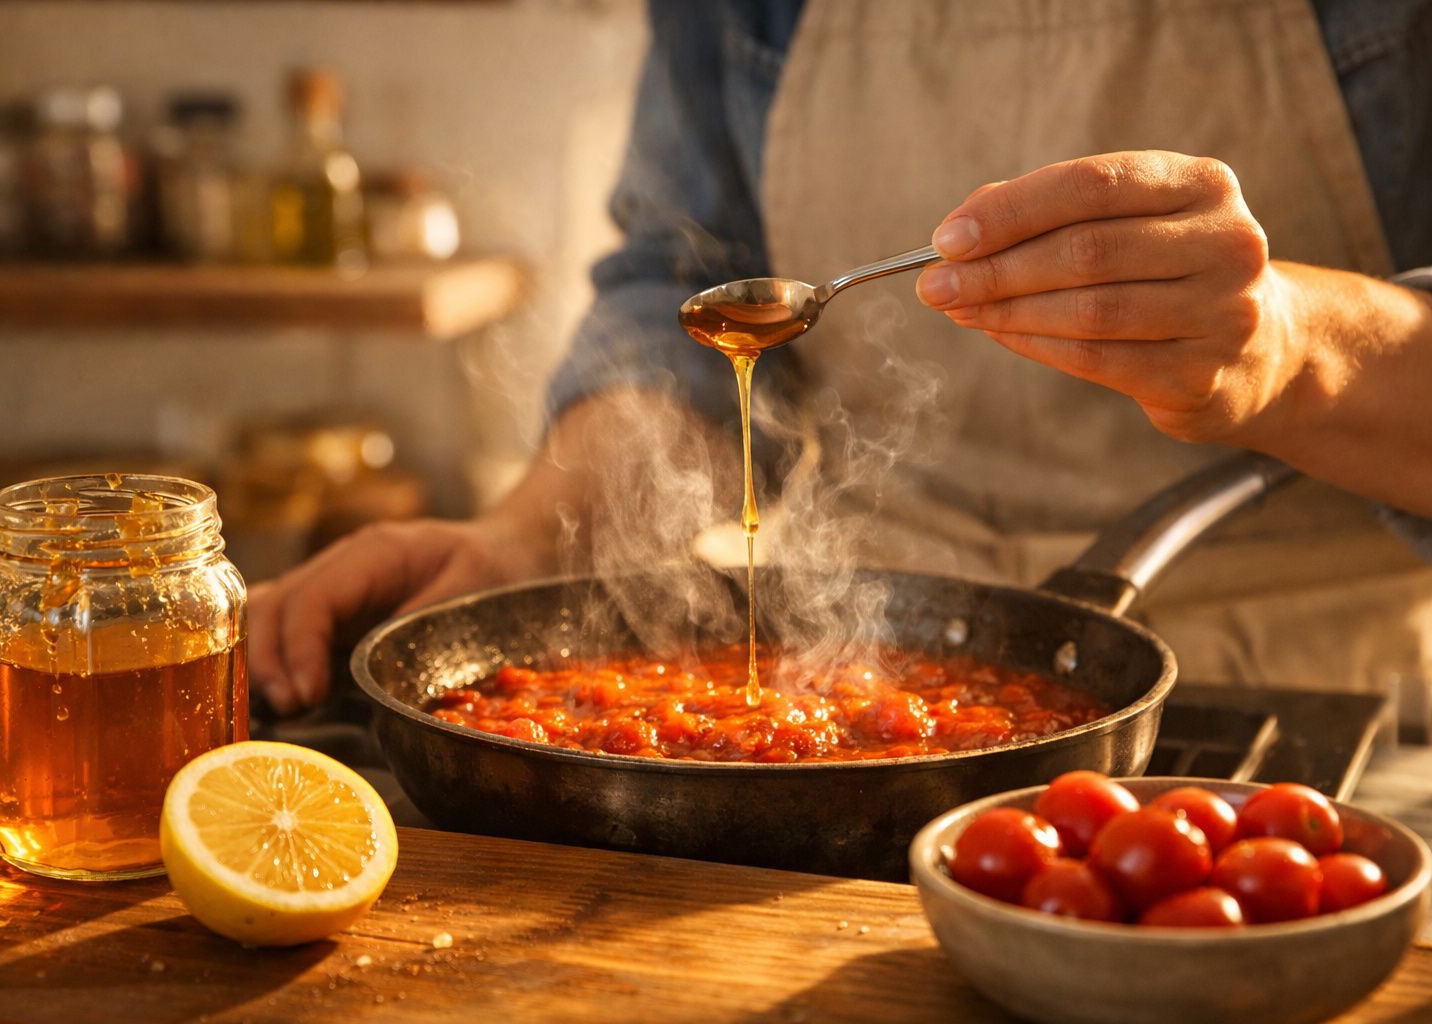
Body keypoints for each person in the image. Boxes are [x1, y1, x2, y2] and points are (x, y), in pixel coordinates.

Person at [251, 0, 1432, 715]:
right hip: (876, 658)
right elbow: (689, 297)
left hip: (1326, 693)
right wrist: (523, 537)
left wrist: (1292, 344)